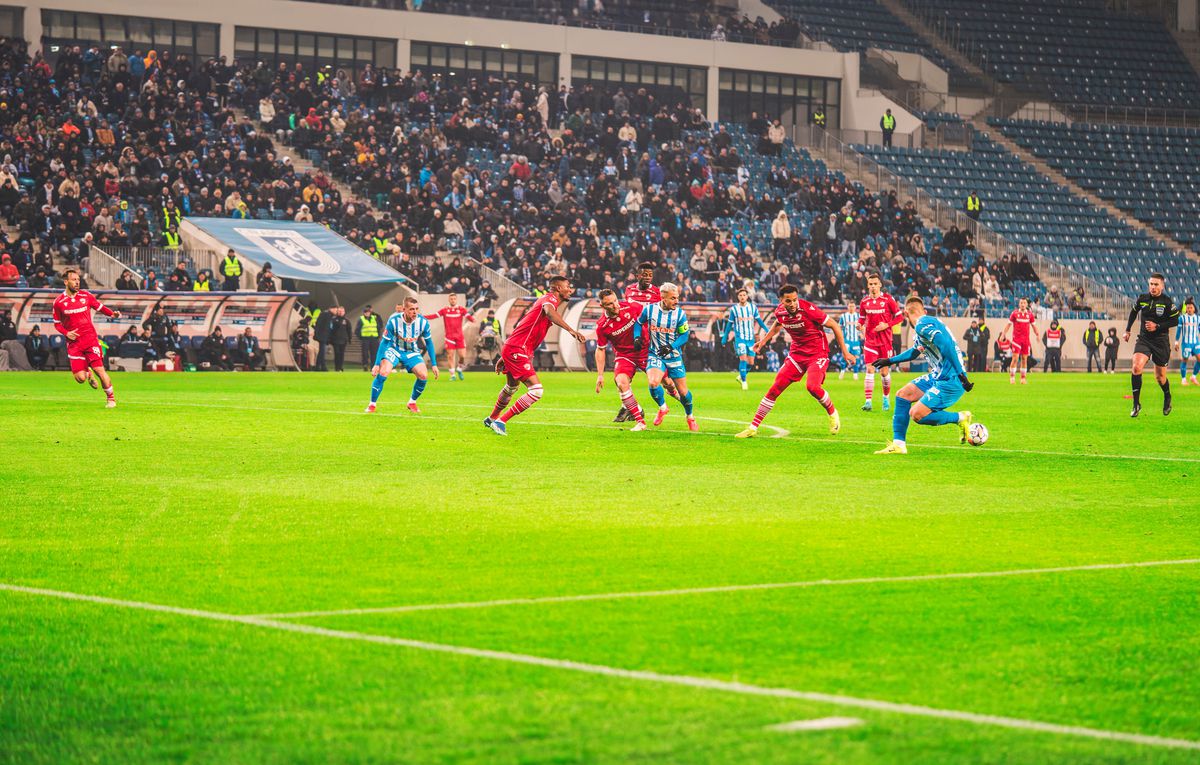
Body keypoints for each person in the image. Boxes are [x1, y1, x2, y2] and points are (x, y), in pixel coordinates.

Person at [736, 284, 855, 438]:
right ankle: (753, 427)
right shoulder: (780, 311)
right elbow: (777, 324)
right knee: (775, 389)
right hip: (797, 355)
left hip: (817, 353)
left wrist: (845, 352)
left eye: (794, 300)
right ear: (781, 301)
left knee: (812, 387)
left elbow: (834, 325)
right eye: (788, 301)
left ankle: (832, 413)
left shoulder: (808, 309)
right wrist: (764, 341)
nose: (792, 304)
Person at [484, 276, 586, 436]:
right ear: (559, 288)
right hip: (518, 348)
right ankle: (500, 421)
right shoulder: (549, 299)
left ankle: (491, 418)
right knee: (536, 390)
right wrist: (571, 330)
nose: (570, 290)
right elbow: (550, 313)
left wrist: (506, 355)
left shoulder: (545, 302)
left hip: (515, 347)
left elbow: (523, 325)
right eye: (568, 286)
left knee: (511, 387)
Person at [874, 296, 975, 454]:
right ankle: (899, 444)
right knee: (903, 395)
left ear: (906, 314)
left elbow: (946, 345)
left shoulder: (922, 324)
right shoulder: (924, 326)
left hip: (951, 378)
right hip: (937, 375)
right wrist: (889, 361)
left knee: (917, 414)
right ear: (924, 310)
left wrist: (961, 374)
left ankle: (960, 418)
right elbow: (914, 352)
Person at [52, 268, 120, 407]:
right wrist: (66, 333)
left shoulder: (86, 296)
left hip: (90, 340)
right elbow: (57, 324)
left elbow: (100, 307)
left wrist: (112, 314)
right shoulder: (59, 302)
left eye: (78, 279)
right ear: (66, 282)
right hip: (74, 344)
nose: (77, 282)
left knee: (100, 370)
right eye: (74, 280)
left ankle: (111, 399)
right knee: (80, 378)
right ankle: (88, 373)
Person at [635, 283, 698, 432]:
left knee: (683, 393)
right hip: (655, 353)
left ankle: (690, 416)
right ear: (663, 297)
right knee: (653, 382)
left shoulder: (680, 314)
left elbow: (684, 336)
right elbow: (638, 323)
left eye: (677, 298)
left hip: (674, 356)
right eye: (673, 298)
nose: (676, 301)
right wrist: (637, 337)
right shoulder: (649, 310)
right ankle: (663, 408)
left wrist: (671, 346)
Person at [366, 297, 439, 414]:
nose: (415, 312)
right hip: (394, 349)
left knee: (423, 375)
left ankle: (412, 402)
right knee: (384, 372)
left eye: (417, 309)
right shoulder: (393, 321)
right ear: (404, 310)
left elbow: (429, 343)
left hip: (411, 351)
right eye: (411, 309)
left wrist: (434, 364)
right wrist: (376, 364)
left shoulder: (423, 322)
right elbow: (384, 342)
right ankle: (372, 405)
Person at [593, 289, 649, 431]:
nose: (615, 305)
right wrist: (600, 375)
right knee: (621, 382)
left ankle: (689, 413)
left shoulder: (631, 306)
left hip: (645, 350)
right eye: (610, 304)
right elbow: (600, 349)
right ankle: (640, 420)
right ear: (602, 306)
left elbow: (650, 316)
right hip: (625, 355)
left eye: (615, 301)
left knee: (668, 383)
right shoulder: (602, 326)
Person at [1124, 273, 1179, 417]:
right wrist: (1127, 330)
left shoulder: (1167, 302)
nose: (1153, 287)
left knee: (1160, 378)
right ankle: (1136, 404)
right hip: (1144, 339)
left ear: (1162, 286)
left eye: (1156, 284)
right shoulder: (1143, 298)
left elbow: (1175, 320)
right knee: (1136, 367)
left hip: (1161, 342)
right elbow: (1133, 312)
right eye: (1151, 284)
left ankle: (1167, 396)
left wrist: (1157, 326)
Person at [859, 273, 904, 411]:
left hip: (885, 342)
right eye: (870, 284)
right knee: (870, 369)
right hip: (870, 341)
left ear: (880, 285)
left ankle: (885, 398)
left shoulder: (888, 300)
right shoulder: (864, 302)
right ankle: (868, 402)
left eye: (875, 284)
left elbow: (900, 317)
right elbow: (862, 318)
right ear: (868, 286)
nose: (873, 286)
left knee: (884, 372)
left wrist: (886, 325)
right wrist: (859, 325)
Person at [725, 288, 769, 390]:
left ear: (747, 296)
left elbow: (759, 320)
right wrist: (725, 336)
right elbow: (729, 324)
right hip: (740, 339)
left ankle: (741, 376)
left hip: (750, 339)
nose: (742, 297)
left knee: (751, 363)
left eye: (744, 295)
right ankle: (744, 382)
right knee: (743, 359)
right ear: (738, 297)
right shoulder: (734, 309)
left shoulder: (753, 308)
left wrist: (767, 329)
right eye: (740, 295)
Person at [425, 293, 475, 381]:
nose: (453, 300)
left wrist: (472, 319)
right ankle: (452, 375)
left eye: (454, 299)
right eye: (451, 299)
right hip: (449, 337)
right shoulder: (445, 310)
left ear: (456, 300)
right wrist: (422, 316)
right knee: (450, 356)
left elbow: (468, 316)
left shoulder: (461, 309)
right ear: (449, 300)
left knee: (462, 356)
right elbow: (434, 315)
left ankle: (459, 368)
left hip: (459, 336)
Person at [1000, 298, 1039, 384]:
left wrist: (1037, 334)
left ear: (1026, 304)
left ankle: (1023, 378)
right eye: (1021, 303)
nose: (1023, 304)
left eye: (1024, 303)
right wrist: (1003, 334)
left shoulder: (1030, 315)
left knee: (1024, 359)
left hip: (1026, 340)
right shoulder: (1014, 313)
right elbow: (1008, 325)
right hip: (1016, 340)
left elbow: (1034, 326)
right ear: (1019, 304)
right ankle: (1012, 377)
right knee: (1015, 358)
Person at [1175, 298, 1199, 385]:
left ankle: (1193, 377)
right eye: (1188, 308)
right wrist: (1176, 342)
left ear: (1194, 309)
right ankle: (1183, 379)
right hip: (1186, 343)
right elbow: (1178, 331)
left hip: (1196, 342)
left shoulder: (1198, 318)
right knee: (1185, 359)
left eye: (1191, 308)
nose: (1189, 309)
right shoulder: (1182, 318)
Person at [837, 300, 863, 381]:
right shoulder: (843, 316)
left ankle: (855, 374)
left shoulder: (859, 316)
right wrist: (840, 338)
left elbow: (862, 327)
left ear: (855, 307)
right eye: (850, 306)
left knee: (856, 357)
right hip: (846, 341)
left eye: (853, 306)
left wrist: (862, 333)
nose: (851, 308)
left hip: (856, 341)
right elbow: (839, 327)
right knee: (845, 356)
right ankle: (842, 371)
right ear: (847, 307)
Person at [357, 305, 381, 371]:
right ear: (364, 313)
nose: (367, 313)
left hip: (374, 339)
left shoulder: (374, 318)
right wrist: (361, 337)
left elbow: (378, 327)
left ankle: (373, 367)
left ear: (370, 313)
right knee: (365, 354)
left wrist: (378, 336)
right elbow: (357, 330)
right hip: (365, 339)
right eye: (366, 312)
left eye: (368, 312)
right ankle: (365, 365)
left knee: (374, 354)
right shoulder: (361, 319)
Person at [328, 306, 352, 372]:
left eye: (342, 311)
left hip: (344, 340)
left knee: (342, 354)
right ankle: (337, 367)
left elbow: (349, 330)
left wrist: (350, 338)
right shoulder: (333, 320)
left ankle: (341, 367)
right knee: (337, 353)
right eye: (339, 311)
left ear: (344, 312)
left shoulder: (346, 320)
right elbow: (330, 330)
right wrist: (330, 339)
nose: (341, 312)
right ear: (337, 312)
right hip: (335, 340)